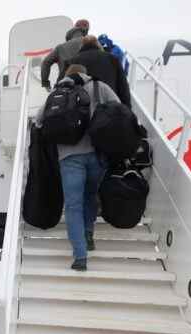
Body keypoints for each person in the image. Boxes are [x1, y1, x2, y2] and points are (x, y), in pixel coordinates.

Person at [37, 64, 121, 271]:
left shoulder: (58, 92)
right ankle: (89, 233)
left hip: (69, 156)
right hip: (96, 153)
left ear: (66, 75)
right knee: (90, 196)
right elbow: (119, 108)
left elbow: (39, 121)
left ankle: (80, 257)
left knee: (73, 206)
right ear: (85, 72)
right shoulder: (100, 87)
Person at [70, 35, 131, 108]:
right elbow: (123, 87)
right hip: (109, 107)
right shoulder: (112, 59)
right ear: (98, 44)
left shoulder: (73, 61)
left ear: (81, 45)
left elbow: (63, 84)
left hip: (81, 108)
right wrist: (127, 108)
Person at [41, 19, 90, 89]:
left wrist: (45, 83)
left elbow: (45, 63)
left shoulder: (60, 47)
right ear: (86, 30)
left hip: (63, 86)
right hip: (86, 86)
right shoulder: (92, 44)